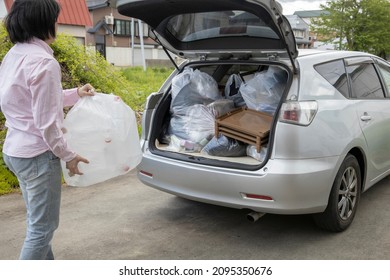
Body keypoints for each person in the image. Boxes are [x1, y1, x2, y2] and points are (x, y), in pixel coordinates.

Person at [0, 0, 95, 260]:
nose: (57, 25)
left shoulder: (15, 55)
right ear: (43, 22)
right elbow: (48, 124)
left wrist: (76, 93)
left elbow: (34, 102)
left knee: (38, 226)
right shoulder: (44, 62)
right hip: (38, 157)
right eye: (54, 19)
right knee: (42, 230)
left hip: (15, 151)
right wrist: (68, 155)